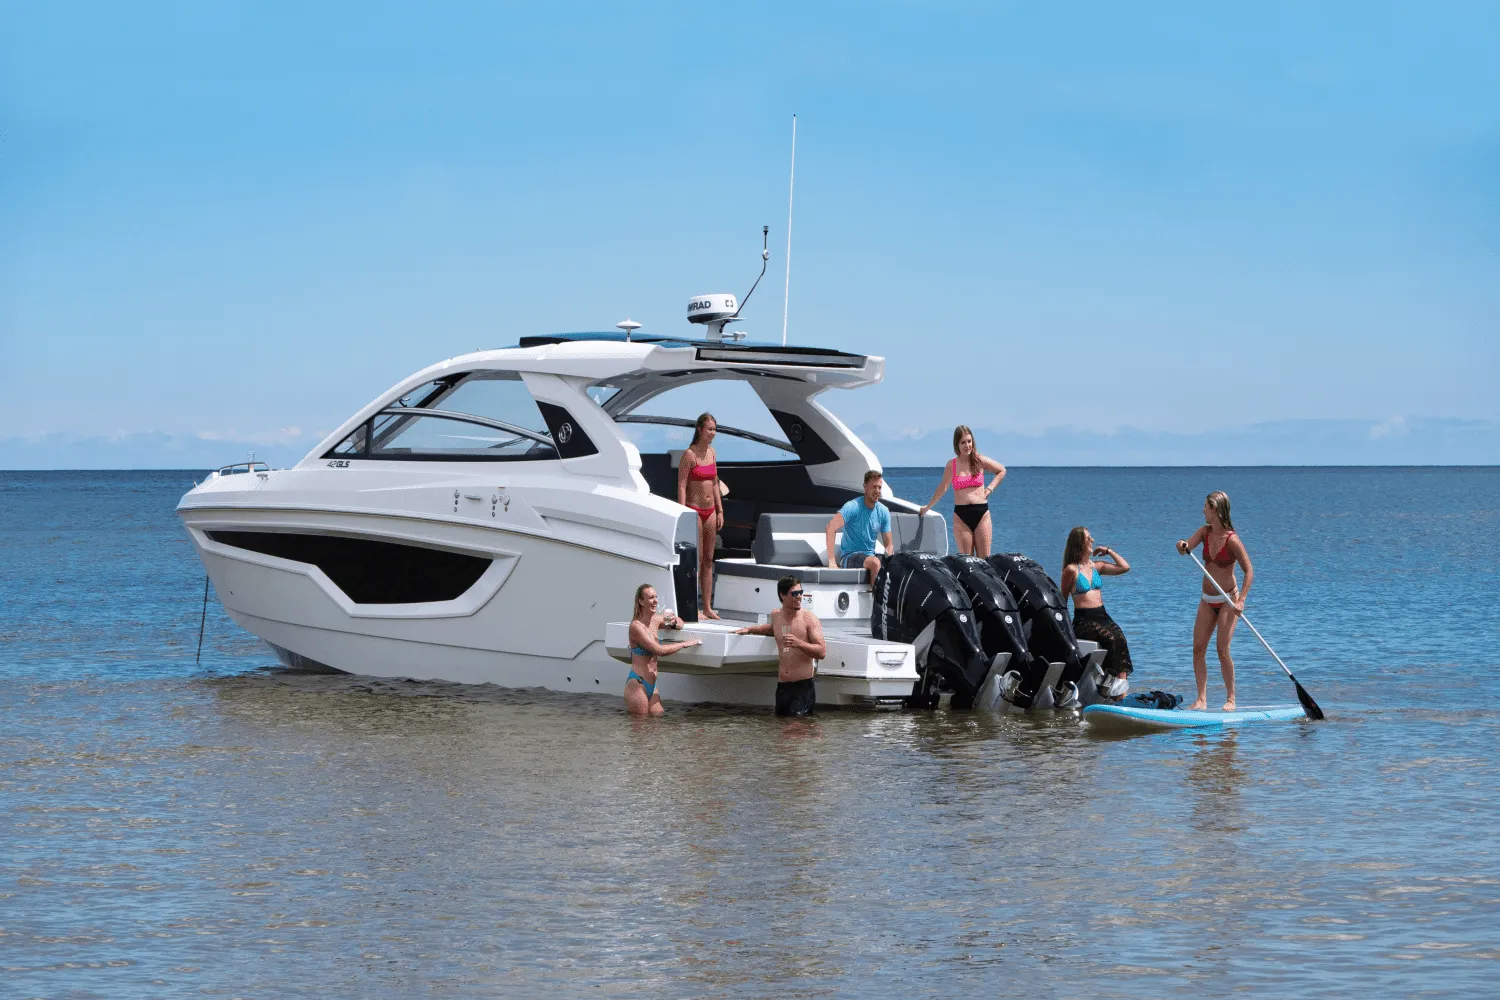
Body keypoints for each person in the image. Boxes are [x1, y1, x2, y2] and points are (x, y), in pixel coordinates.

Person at [1175, 491, 1255, 711]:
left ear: (1216, 510)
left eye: (1206, 507)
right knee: (1198, 648)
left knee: (1222, 649)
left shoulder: (1232, 540)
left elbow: (1249, 571)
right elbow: (1186, 548)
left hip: (1228, 600)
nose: (1203, 510)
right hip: (1207, 599)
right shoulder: (1204, 532)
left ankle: (1231, 699)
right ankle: (1201, 699)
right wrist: (1182, 545)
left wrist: (1242, 601)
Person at [734, 574, 827, 716]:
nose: (799, 597)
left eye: (800, 592)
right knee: (781, 727)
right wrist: (750, 629)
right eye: (794, 594)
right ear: (782, 595)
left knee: (796, 727)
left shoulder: (809, 619)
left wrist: (799, 643)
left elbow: (822, 651)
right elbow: (772, 629)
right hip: (782, 687)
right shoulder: (776, 615)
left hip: (802, 687)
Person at [1059, 526, 1133, 696]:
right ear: (1080, 543)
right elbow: (1062, 601)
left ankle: (1121, 692)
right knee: (1111, 640)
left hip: (1103, 616)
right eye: (1088, 538)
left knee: (1120, 639)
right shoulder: (1071, 570)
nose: (1092, 540)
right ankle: (1111, 691)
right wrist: (1064, 629)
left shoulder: (1096, 566)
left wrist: (1109, 551)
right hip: (1084, 621)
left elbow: (1124, 567)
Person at [918, 425, 1006, 557]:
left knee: (985, 562)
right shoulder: (951, 465)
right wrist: (927, 507)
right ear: (957, 445)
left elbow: (1001, 470)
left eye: (969, 441)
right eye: (963, 442)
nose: (967, 445)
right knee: (967, 562)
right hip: (961, 517)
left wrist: (989, 489)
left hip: (982, 514)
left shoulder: (980, 460)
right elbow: (943, 488)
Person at [624, 583, 701, 716]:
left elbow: (679, 622)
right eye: (651, 598)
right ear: (641, 601)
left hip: (652, 685)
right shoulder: (636, 627)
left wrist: (674, 622)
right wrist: (683, 644)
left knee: (657, 722)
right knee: (640, 726)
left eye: (656, 597)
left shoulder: (656, 620)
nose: (655, 601)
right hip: (638, 684)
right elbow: (659, 650)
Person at [677, 412, 724, 619]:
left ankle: (707, 607)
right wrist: (683, 513)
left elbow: (714, 483)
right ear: (700, 429)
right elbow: (681, 485)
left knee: (709, 559)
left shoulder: (712, 453)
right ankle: (693, 606)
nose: (713, 433)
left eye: (715, 429)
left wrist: (720, 510)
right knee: (696, 560)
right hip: (694, 510)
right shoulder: (689, 455)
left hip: (711, 510)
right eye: (709, 429)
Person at [825, 470, 893, 586]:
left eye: (879, 487)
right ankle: (875, 598)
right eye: (874, 487)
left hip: (870, 556)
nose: (877, 491)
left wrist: (890, 556)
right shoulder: (852, 507)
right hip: (849, 556)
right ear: (865, 487)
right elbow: (830, 528)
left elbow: (889, 544)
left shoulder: (883, 511)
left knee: (898, 563)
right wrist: (831, 561)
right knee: (875, 563)